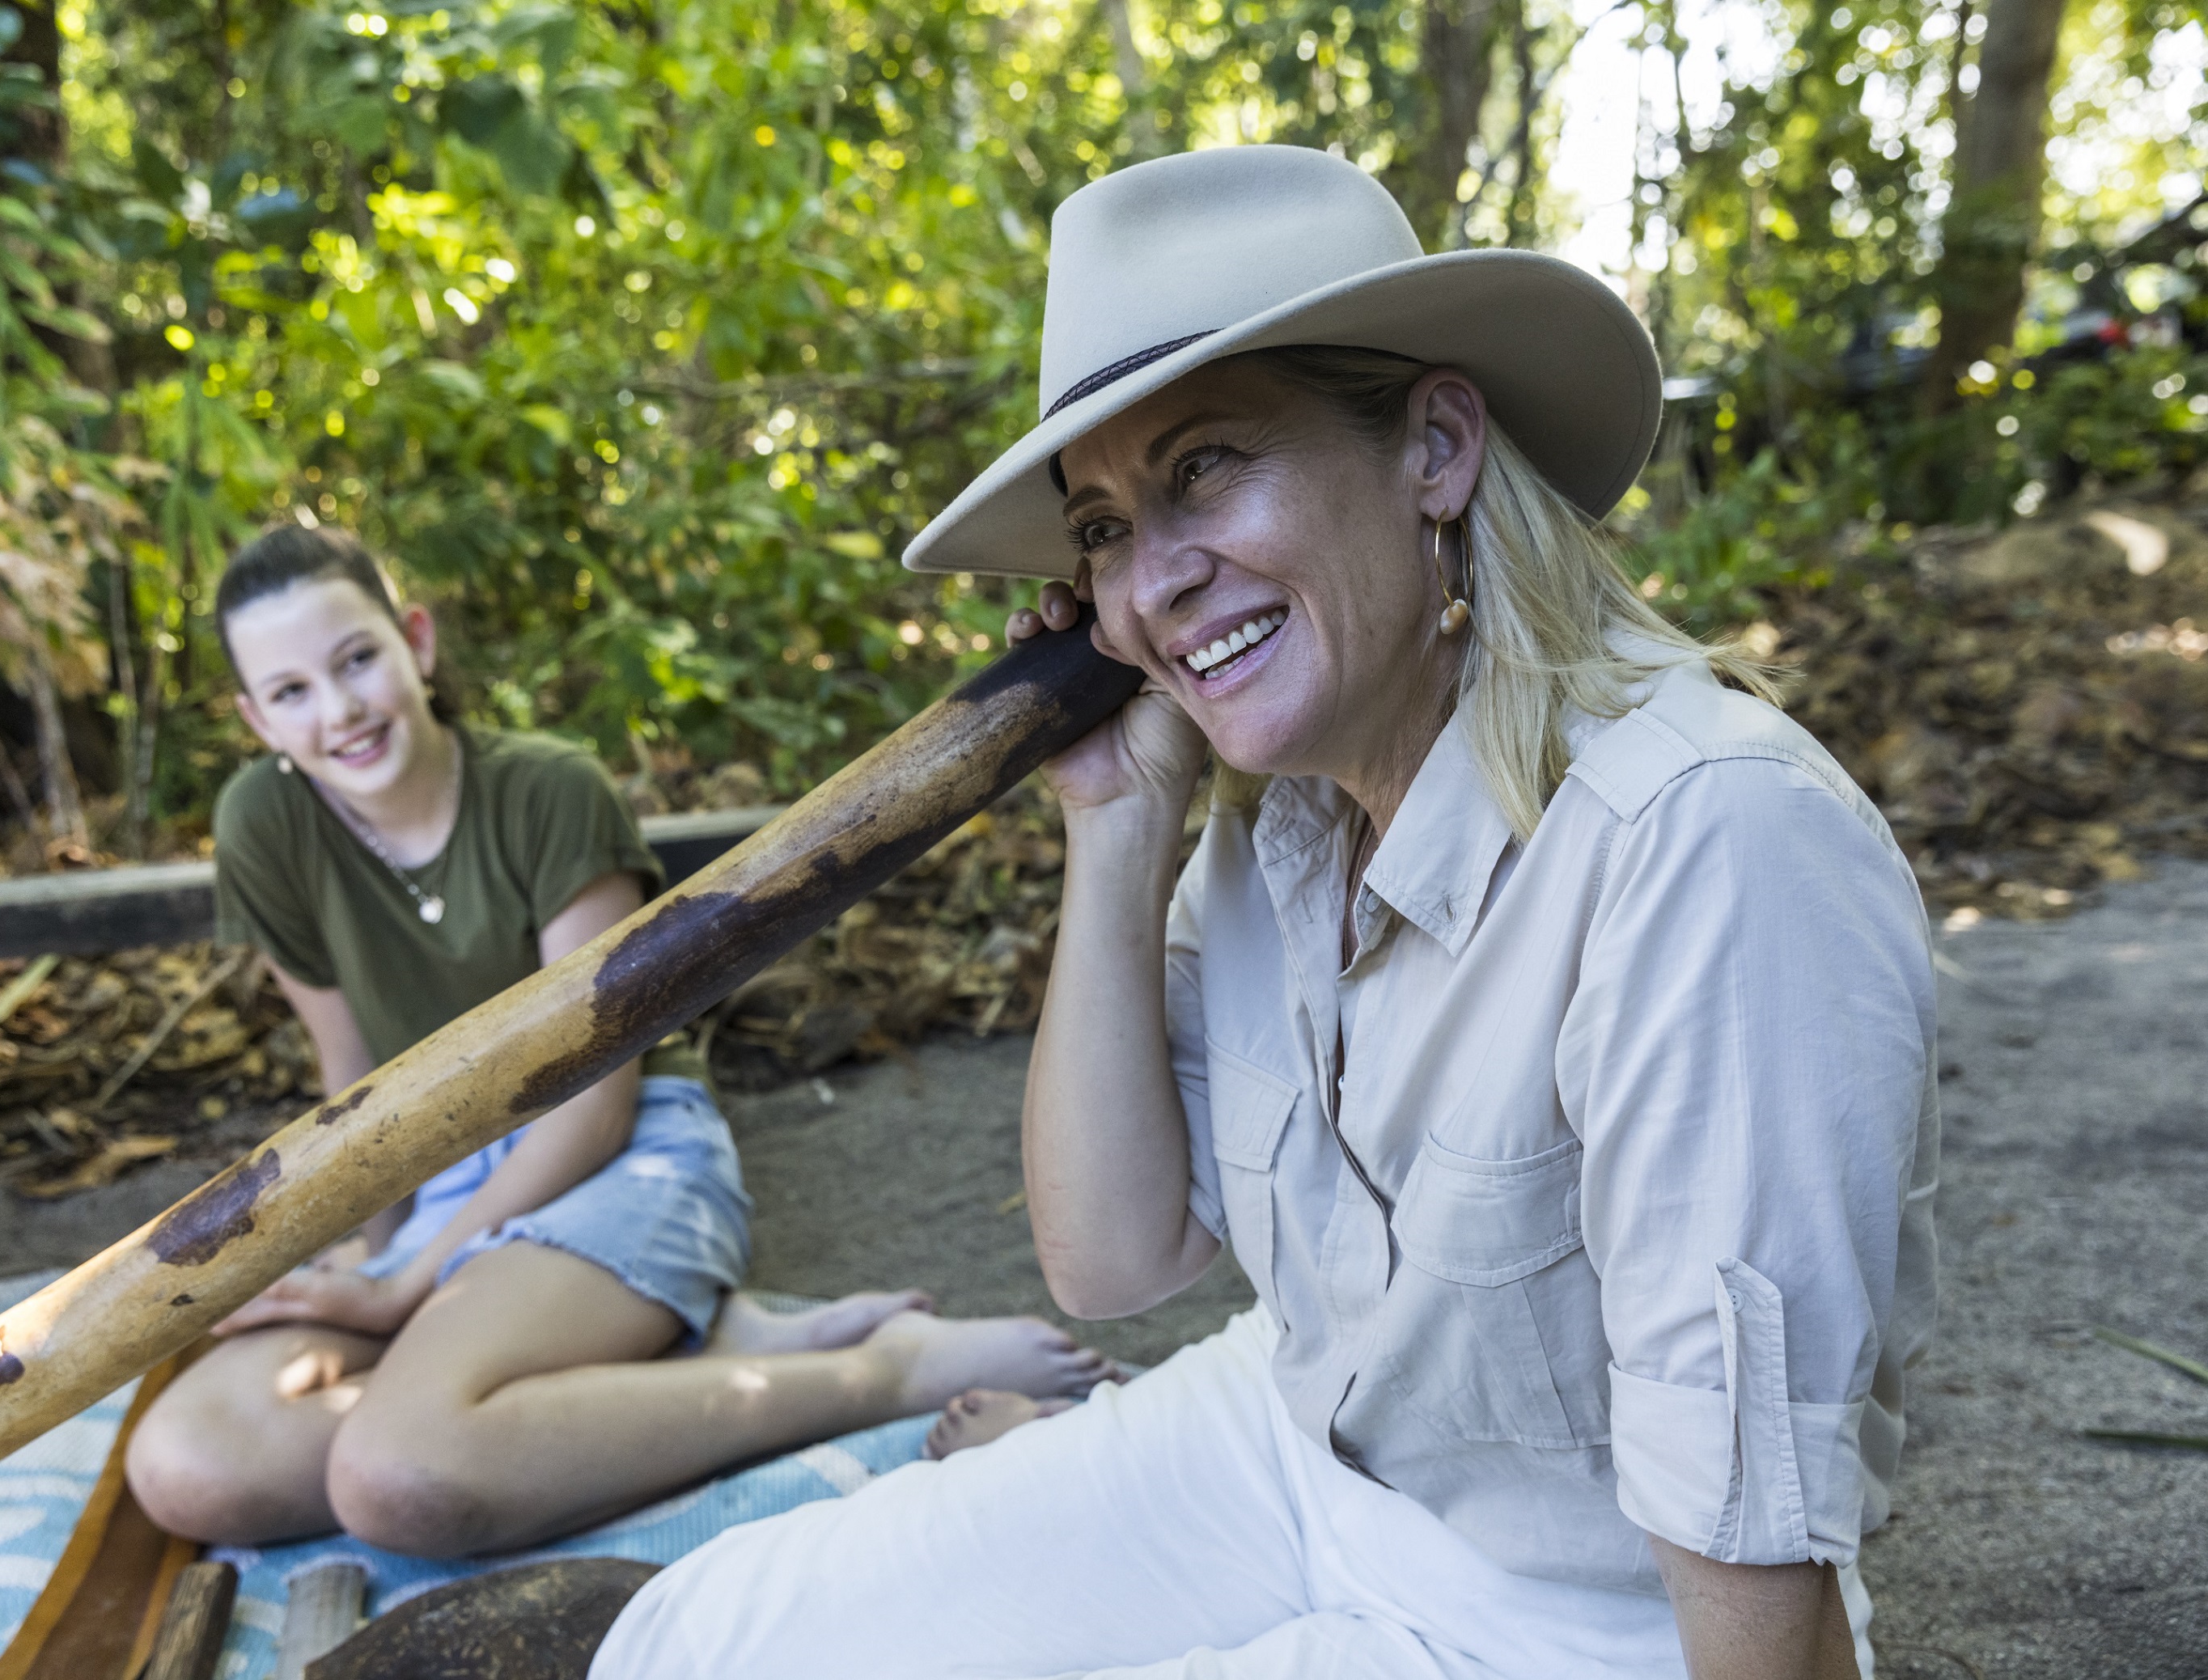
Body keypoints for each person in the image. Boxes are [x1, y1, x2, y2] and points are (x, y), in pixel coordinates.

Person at [590, 145, 1937, 1679]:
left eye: (1204, 468)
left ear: (1433, 447)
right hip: (1288, 1445)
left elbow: (1742, 1517)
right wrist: (1117, 821)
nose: (1144, 585)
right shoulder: (1279, 825)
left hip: (1584, 1611)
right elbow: (1109, 1258)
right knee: (688, 1641)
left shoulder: (1701, 836)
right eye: (1097, 527)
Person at [124, 525, 1117, 1556]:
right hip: (446, 1177)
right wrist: (373, 1261)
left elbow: (595, 1097)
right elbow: (348, 1076)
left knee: (402, 1475)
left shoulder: (546, 791)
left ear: (415, 640)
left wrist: (407, 1293)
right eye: (288, 693)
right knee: (196, 1458)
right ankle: (670, 1347)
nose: (337, 712)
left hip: (617, 1149)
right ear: (254, 717)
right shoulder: (263, 825)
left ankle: (883, 1369)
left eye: (357, 659)